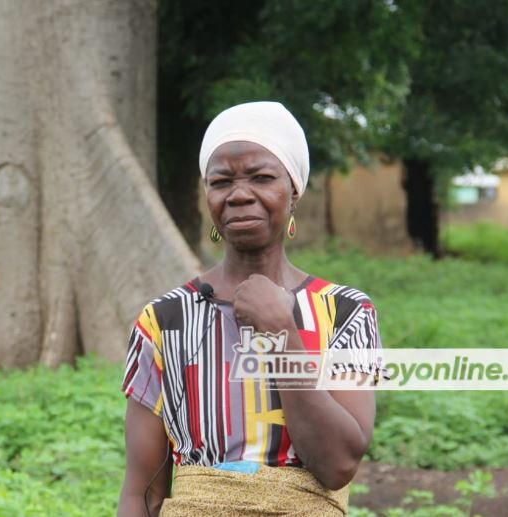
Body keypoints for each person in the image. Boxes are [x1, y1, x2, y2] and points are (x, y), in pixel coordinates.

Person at [117, 101, 385, 516]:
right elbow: (142, 493)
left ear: (294, 190)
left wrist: (281, 329)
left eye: (262, 177)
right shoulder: (164, 321)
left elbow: (338, 465)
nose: (240, 194)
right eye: (221, 181)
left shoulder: (345, 313)